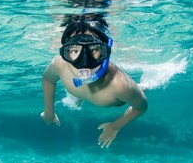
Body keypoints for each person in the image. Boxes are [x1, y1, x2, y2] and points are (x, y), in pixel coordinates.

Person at [40, 13, 148, 148]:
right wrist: (49, 112)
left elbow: (141, 106)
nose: (84, 61)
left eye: (94, 49)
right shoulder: (59, 65)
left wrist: (115, 126)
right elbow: (48, 79)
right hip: (86, 93)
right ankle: (81, 97)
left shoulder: (119, 85)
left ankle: (142, 86)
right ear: (65, 53)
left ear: (105, 52)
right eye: (74, 50)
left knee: (136, 92)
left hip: (117, 101)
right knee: (80, 94)